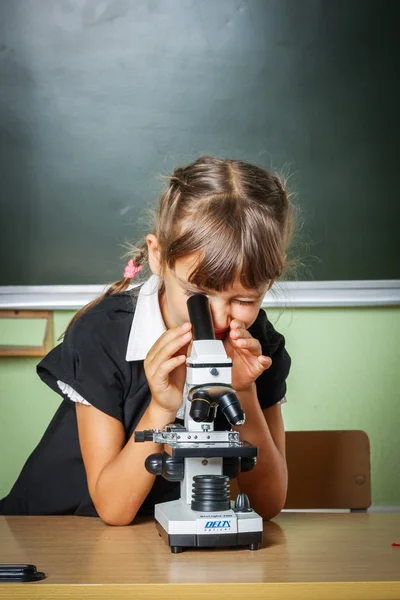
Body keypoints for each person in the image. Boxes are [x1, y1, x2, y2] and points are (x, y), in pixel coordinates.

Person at [0, 155, 292, 525]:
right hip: (56, 529)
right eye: (198, 295)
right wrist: (162, 407)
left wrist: (245, 391)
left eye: (244, 300)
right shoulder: (103, 334)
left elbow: (266, 504)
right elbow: (112, 508)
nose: (219, 318)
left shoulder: (260, 344)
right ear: (158, 256)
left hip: (153, 541)